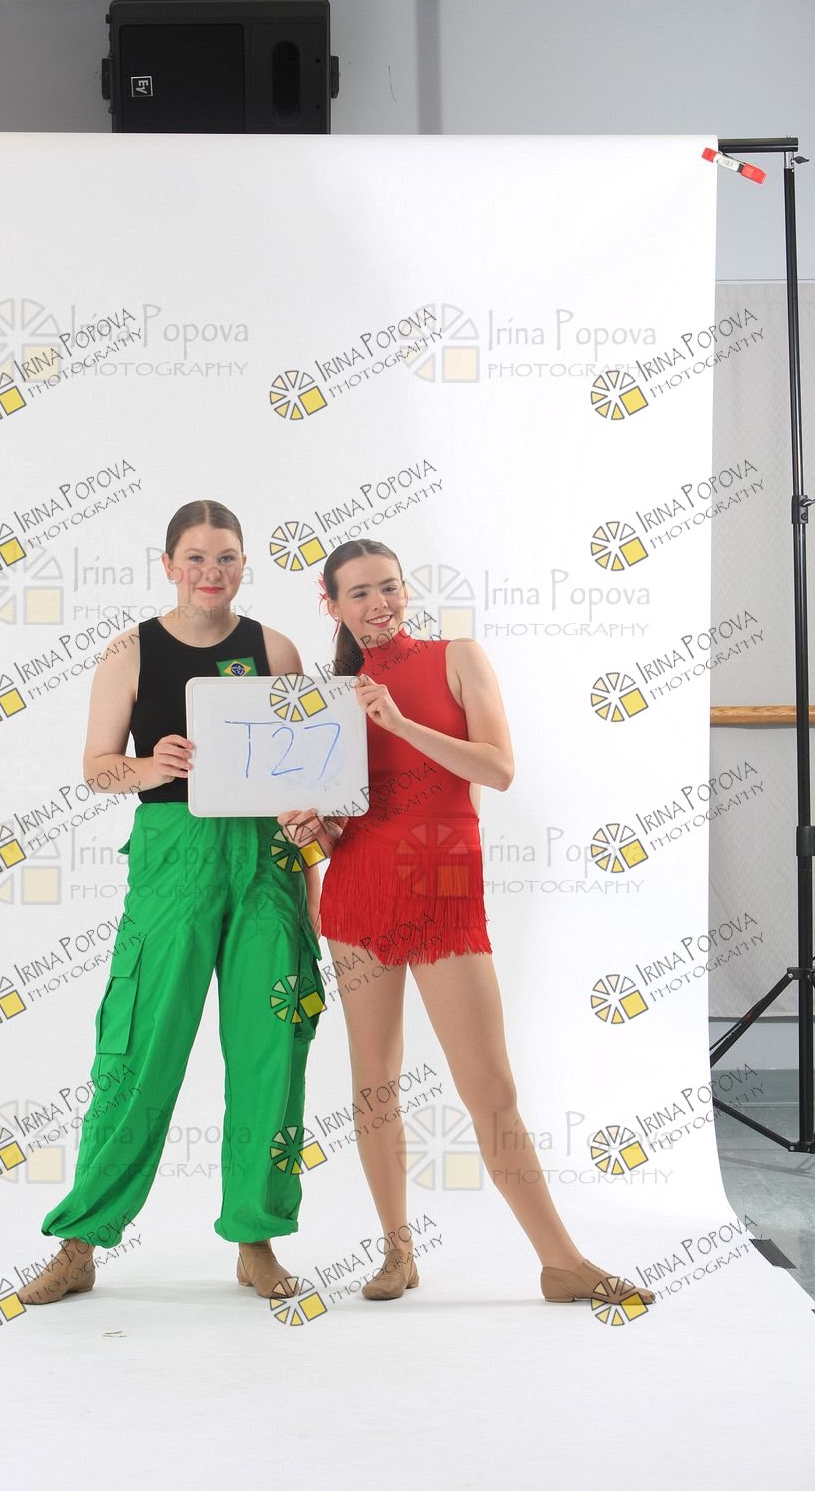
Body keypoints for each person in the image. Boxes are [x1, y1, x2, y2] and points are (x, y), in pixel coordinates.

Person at [278, 538, 656, 1307]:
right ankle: (397, 1254)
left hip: (444, 887)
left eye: (389, 587)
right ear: (332, 605)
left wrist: (398, 721)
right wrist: (313, 830)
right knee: (374, 1084)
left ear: (405, 591)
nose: (379, 604)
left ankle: (560, 1262)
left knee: (491, 1088)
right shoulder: (331, 696)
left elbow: (498, 768)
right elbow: (346, 818)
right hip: (360, 891)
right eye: (360, 593)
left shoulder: (457, 658)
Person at [18, 501, 324, 1305]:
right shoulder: (131, 652)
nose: (210, 572)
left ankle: (256, 1240)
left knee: (270, 1051)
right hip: (172, 857)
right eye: (195, 557)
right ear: (168, 565)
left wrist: (311, 885)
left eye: (225, 557)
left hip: (266, 861)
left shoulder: (275, 649)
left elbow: (302, 773)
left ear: (245, 564)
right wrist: (150, 765)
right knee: (138, 1051)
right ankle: (81, 1241)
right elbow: (96, 767)